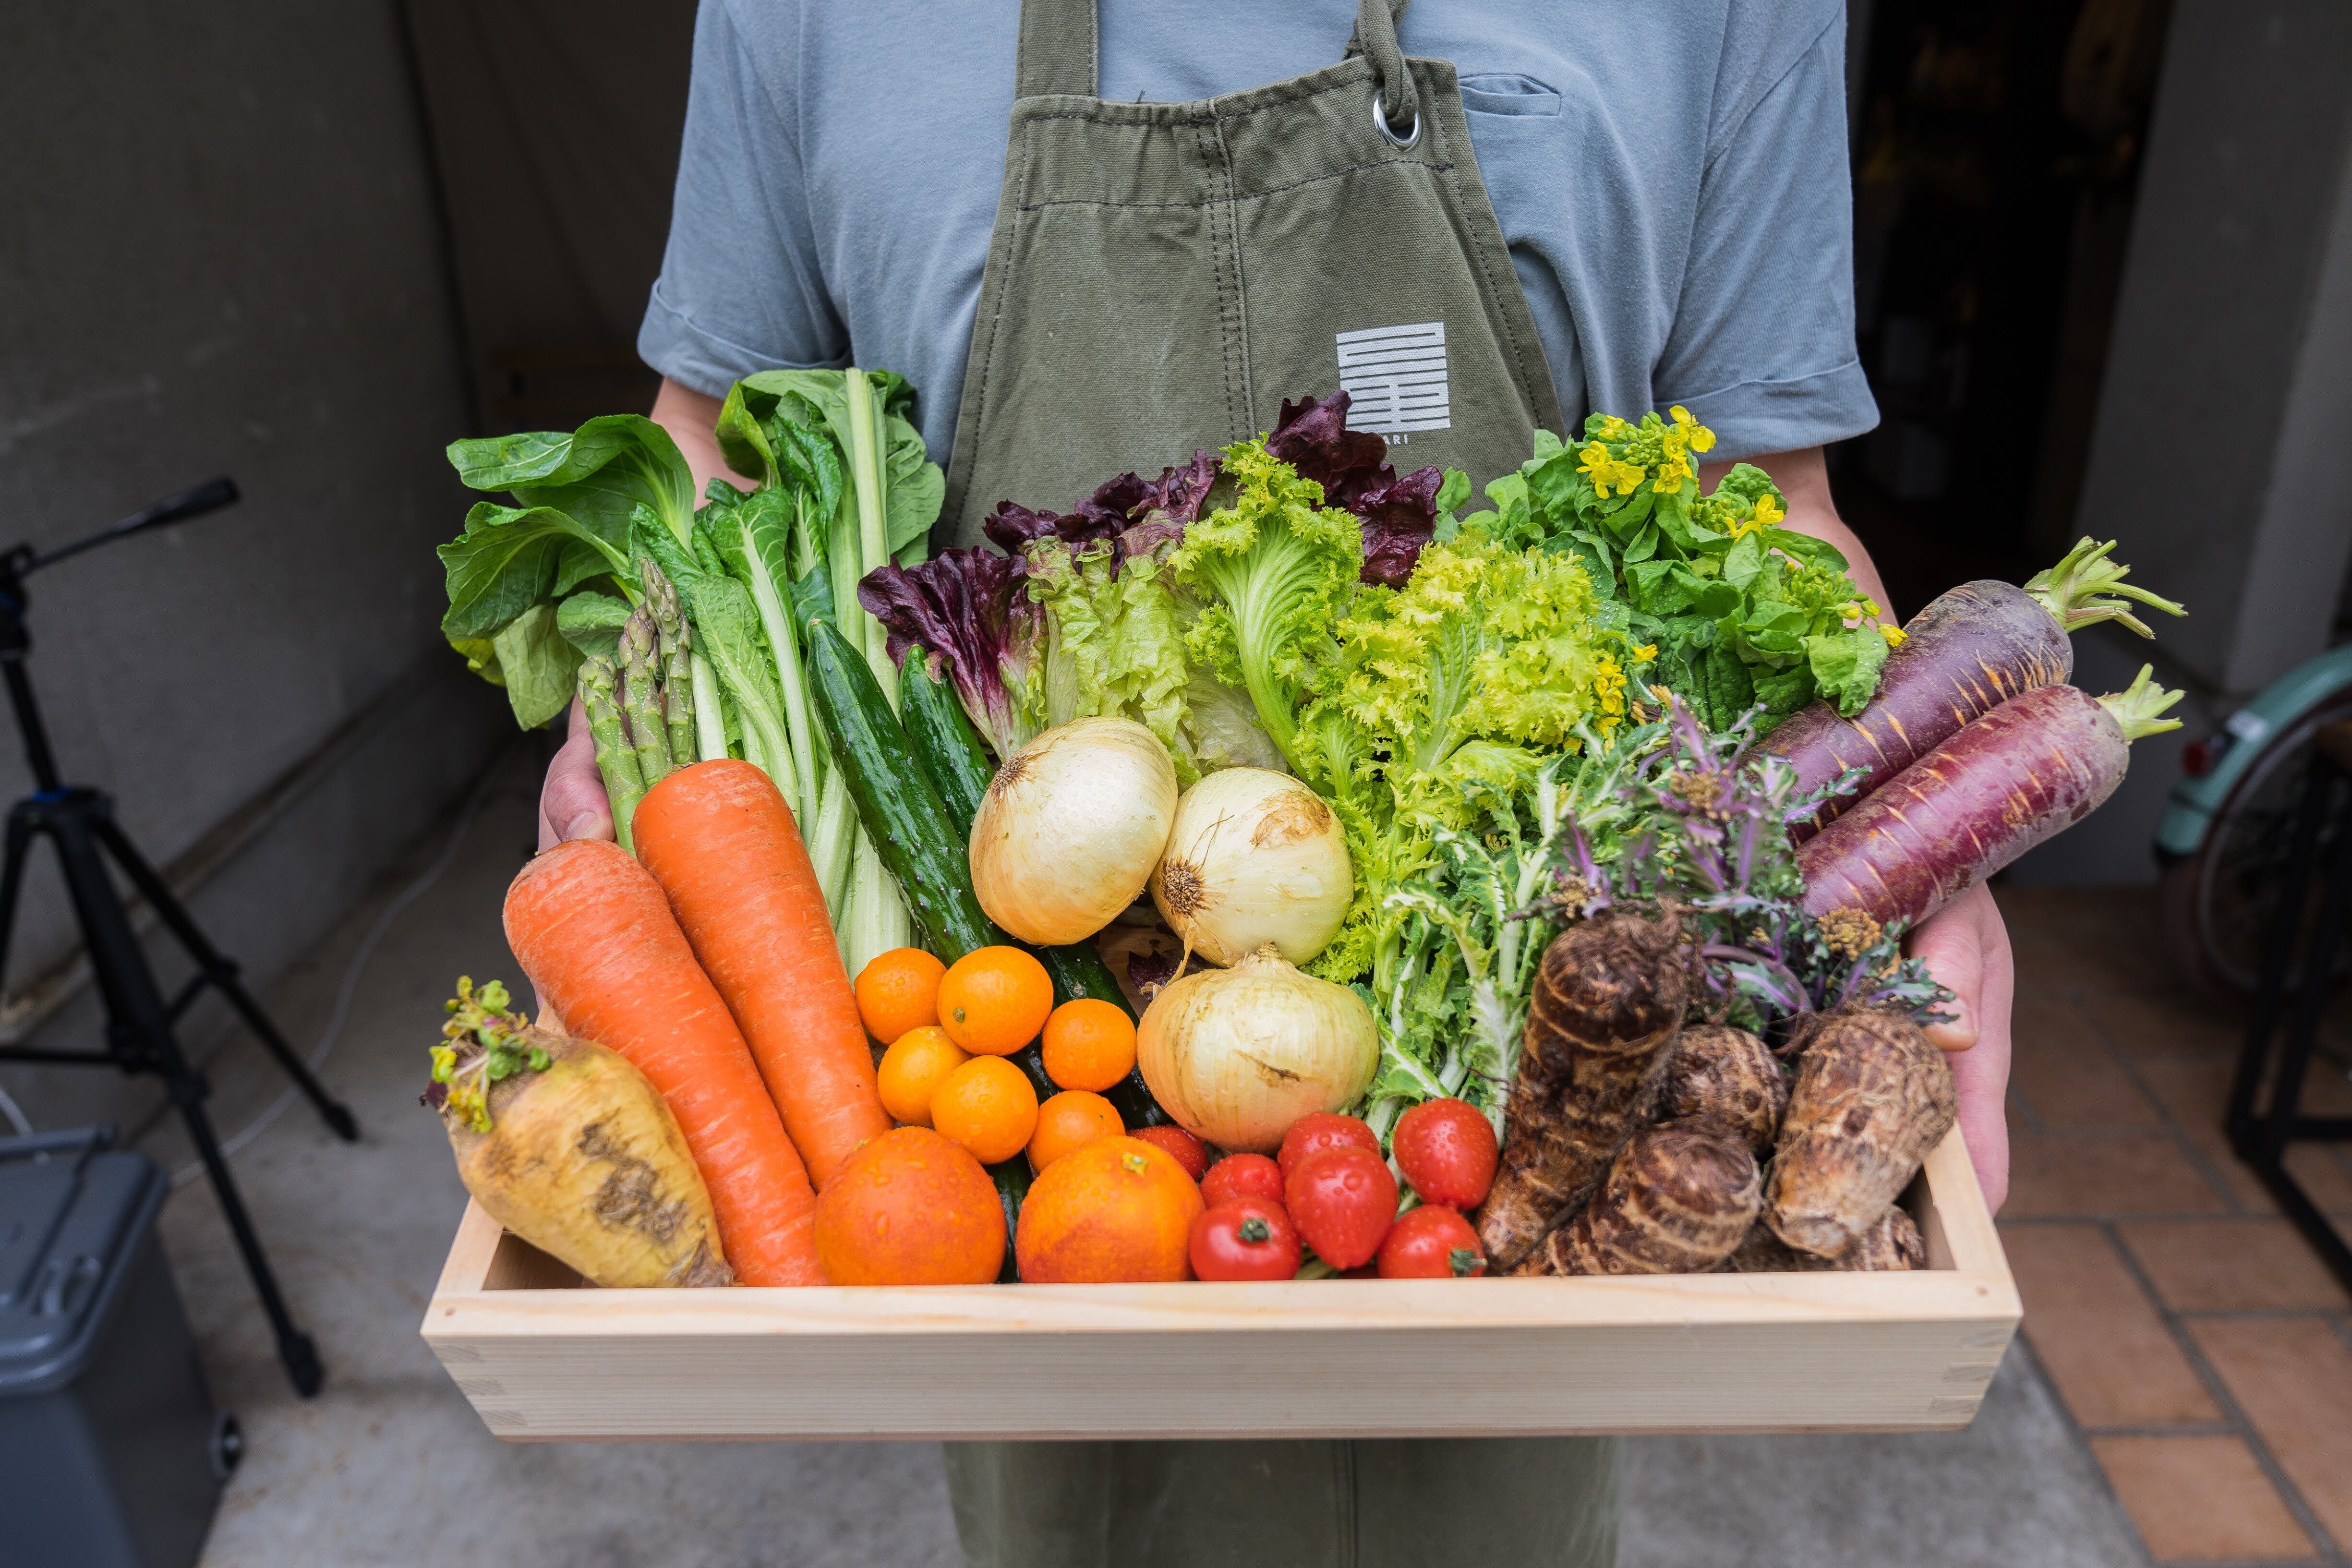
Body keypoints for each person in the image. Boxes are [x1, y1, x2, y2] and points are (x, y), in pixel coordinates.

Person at [538, 2, 2014, 1562]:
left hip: (1524, 1066)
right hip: (1027, 1062)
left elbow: (1759, 501)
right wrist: (632, 729)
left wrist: (1903, 812)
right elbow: (724, 444)